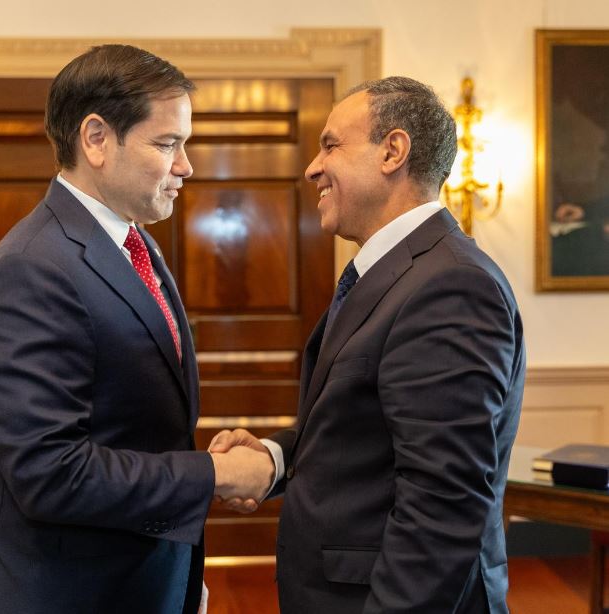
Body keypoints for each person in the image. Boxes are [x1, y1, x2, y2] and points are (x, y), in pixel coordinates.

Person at [0, 44, 274, 614]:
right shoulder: (31, 267)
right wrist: (215, 475)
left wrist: (178, 577)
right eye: (167, 144)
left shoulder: (133, 241)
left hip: (138, 582)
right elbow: (50, 473)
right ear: (96, 139)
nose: (185, 166)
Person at [210, 76, 526, 613]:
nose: (312, 167)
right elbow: (363, 431)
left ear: (393, 151)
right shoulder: (396, 273)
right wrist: (275, 457)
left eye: (331, 145)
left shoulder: (451, 285)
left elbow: (442, 505)